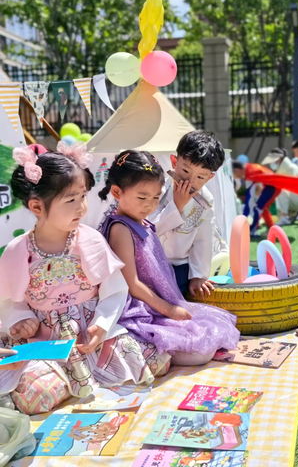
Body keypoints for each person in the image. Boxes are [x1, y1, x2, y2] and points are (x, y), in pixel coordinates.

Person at [0, 143, 159, 415]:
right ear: (37, 206)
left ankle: (84, 375)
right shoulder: (18, 250)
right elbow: (8, 300)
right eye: (70, 200)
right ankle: (58, 379)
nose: (82, 208)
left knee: (154, 360)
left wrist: (102, 324)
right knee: (36, 396)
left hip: (91, 335)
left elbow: (113, 289)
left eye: (83, 197)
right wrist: (20, 321)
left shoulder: (90, 239)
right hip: (44, 341)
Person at [99, 150, 240, 367]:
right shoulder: (120, 228)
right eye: (142, 197)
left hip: (159, 302)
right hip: (142, 308)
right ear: (117, 192)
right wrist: (168, 310)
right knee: (198, 350)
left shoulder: (141, 221)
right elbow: (132, 283)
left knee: (212, 328)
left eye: (156, 197)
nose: (150, 205)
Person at [150, 131, 224, 298]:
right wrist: (176, 204)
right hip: (152, 262)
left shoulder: (205, 199)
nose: (190, 181)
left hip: (181, 265)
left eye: (200, 177)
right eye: (185, 170)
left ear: (209, 178)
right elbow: (149, 228)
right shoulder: (158, 190)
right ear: (174, 162)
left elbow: (202, 239)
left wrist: (198, 274)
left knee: (179, 293)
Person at [261, 148, 298, 226]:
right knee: (279, 189)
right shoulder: (287, 167)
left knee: (279, 189)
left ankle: (284, 217)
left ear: (278, 158)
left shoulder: (290, 169)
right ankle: (291, 214)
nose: (271, 163)